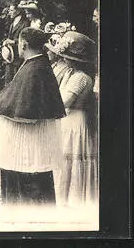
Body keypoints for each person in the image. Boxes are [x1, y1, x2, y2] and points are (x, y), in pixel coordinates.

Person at [0, 27, 66, 205]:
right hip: (26, 145)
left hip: (27, 147)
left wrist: (4, 108)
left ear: (24, 45)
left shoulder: (35, 70)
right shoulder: (37, 65)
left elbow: (28, 114)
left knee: (26, 194)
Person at [48, 31, 98, 207]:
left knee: (73, 159)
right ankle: (63, 198)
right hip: (67, 120)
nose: (63, 59)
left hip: (75, 122)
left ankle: (74, 200)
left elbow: (64, 101)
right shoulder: (70, 73)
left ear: (76, 59)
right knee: (65, 161)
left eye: (66, 56)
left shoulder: (81, 78)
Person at [1, 4, 31, 84]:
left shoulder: (25, 23)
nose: (9, 13)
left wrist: (14, 42)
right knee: (8, 82)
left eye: (11, 10)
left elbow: (26, 39)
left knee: (17, 82)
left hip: (19, 57)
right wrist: (6, 42)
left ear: (18, 11)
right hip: (10, 57)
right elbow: (9, 37)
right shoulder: (12, 24)